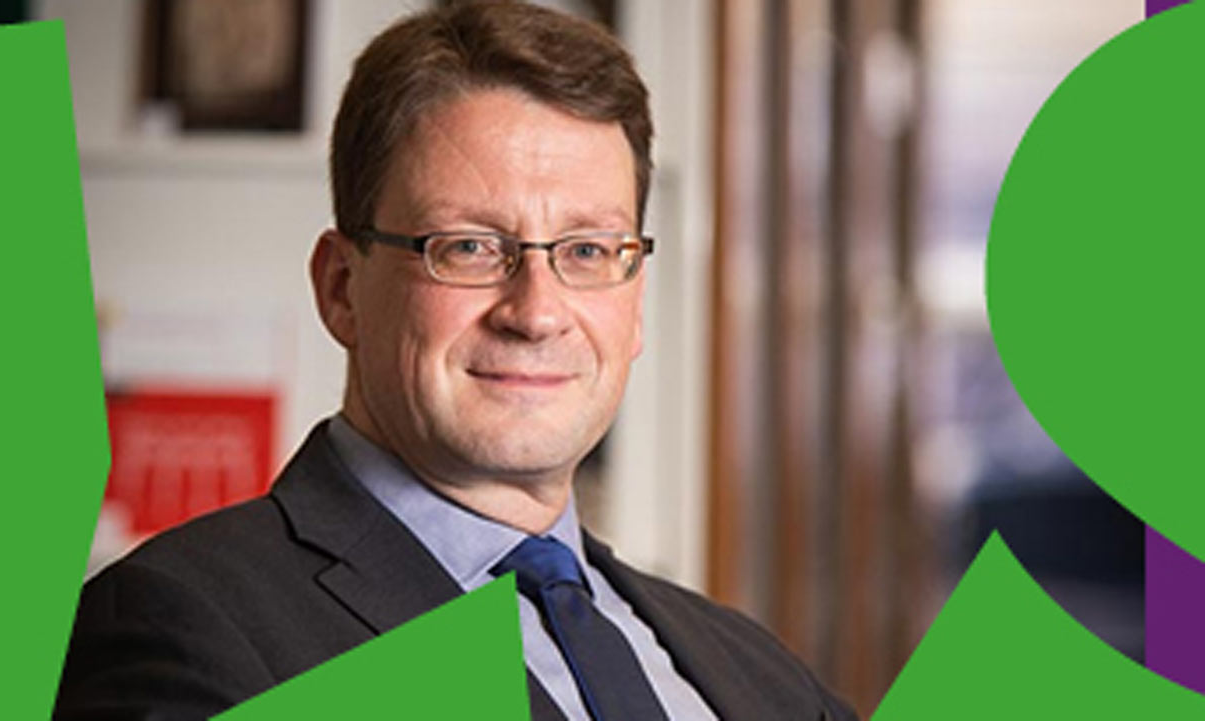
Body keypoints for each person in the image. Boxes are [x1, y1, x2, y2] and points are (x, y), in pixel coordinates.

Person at [54, 3, 857, 719]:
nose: (536, 311)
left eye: (586, 249)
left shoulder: (759, 675)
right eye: (469, 247)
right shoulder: (181, 629)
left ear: (635, 298)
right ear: (341, 288)